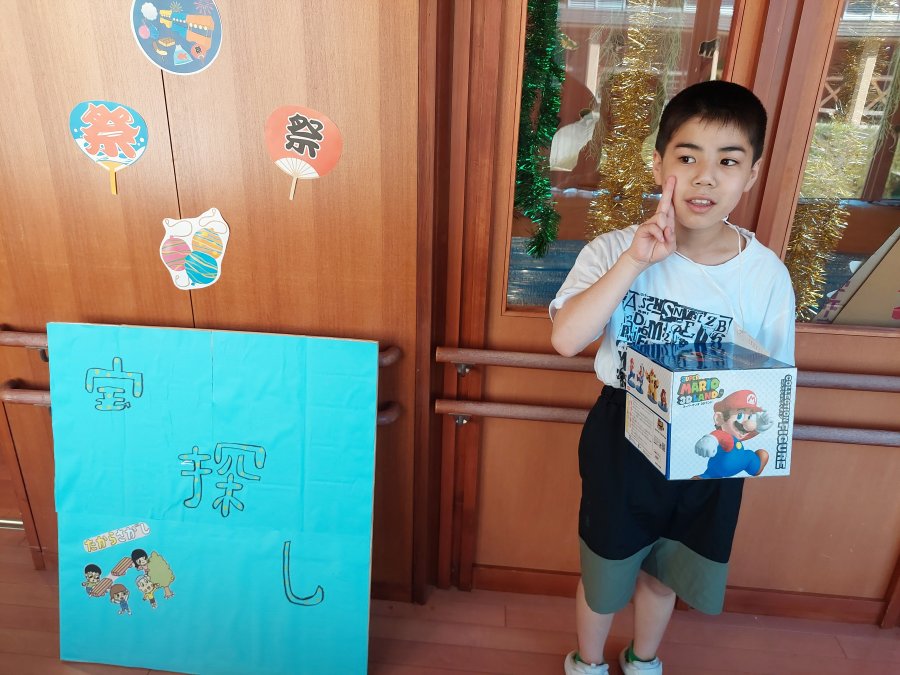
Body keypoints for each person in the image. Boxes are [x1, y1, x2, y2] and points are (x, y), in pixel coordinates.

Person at [550, 80, 795, 675]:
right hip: (622, 432)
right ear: (660, 165)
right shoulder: (613, 250)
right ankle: (587, 662)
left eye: (728, 162)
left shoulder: (765, 275)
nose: (705, 178)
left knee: (666, 572)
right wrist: (636, 261)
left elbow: (772, 384)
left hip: (714, 441)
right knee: (606, 570)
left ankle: (644, 659)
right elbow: (566, 340)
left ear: (751, 174)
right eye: (688, 158)